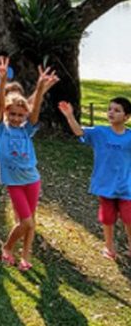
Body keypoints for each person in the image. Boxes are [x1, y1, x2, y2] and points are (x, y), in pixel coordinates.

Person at [0, 58, 56, 270]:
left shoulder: (26, 130)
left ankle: (26, 255)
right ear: (6, 113)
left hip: (32, 179)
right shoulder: (1, 129)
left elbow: (35, 111)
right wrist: (2, 80)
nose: (16, 118)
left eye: (20, 115)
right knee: (26, 221)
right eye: (12, 114)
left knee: (30, 220)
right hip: (14, 182)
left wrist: (40, 87)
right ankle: (7, 247)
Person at [59, 96, 131, 261]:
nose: (111, 112)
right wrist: (69, 115)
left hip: (126, 186)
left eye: (117, 110)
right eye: (109, 109)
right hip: (105, 186)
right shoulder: (100, 132)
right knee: (107, 218)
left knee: (129, 218)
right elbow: (79, 131)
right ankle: (109, 247)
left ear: (126, 117)